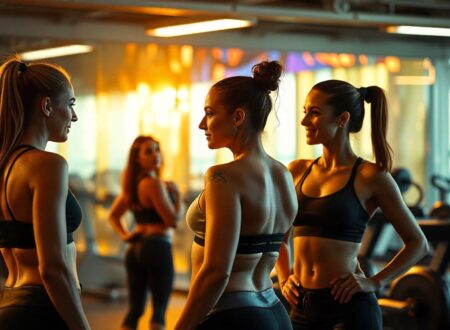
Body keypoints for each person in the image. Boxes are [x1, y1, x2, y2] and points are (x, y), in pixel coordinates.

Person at [276, 79, 429, 329]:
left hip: (349, 309)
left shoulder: (371, 176)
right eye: (305, 112)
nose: (304, 121)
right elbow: (279, 238)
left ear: (342, 118)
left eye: (314, 113)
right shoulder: (296, 171)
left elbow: (417, 244)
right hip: (302, 306)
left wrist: (375, 282)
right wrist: (284, 277)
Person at [175, 60, 298, 330]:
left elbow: (217, 271)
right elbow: (282, 246)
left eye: (209, 113)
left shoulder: (222, 176)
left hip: (233, 315)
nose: (200, 124)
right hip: (274, 311)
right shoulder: (283, 175)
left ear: (238, 117)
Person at [0, 55, 90, 329]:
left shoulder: (5, 166)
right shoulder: (47, 165)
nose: (74, 116)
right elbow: (52, 267)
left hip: (11, 302)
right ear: (47, 106)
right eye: (71, 104)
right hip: (43, 309)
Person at [109, 135, 184, 330]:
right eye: (148, 151)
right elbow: (173, 221)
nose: (155, 155)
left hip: (135, 250)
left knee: (134, 311)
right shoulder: (154, 183)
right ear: (137, 158)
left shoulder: (131, 187)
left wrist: (126, 236)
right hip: (157, 247)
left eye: (157, 149)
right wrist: (177, 196)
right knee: (159, 311)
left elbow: (114, 216)